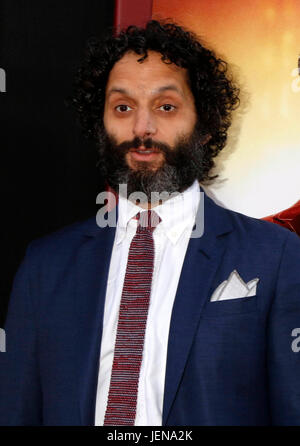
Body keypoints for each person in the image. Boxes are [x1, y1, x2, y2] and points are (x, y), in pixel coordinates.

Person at [0, 20, 300, 426]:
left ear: (205, 124)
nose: (142, 129)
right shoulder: (45, 264)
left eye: (166, 107)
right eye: (123, 107)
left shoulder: (278, 255)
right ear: (100, 123)